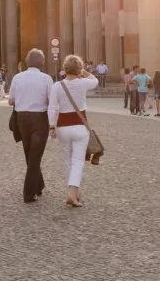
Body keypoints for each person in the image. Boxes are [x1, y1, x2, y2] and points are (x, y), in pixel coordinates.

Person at [47, 54, 99, 207]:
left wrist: (51, 126)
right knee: (78, 161)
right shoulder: (83, 83)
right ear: (79, 69)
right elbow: (95, 81)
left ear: (64, 68)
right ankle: (73, 195)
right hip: (80, 126)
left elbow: (51, 107)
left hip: (63, 127)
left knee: (68, 161)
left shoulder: (57, 86)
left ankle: (73, 194)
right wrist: (84, 72)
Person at [8, 48, 53, 203]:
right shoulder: (46, 79)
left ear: (27, 62)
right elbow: (51, 101)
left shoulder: (17, 78)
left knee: (29, 153)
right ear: (42, 62)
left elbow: (10, 101)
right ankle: (29, 193)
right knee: (35, 155)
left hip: (22, 118)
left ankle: (39, 185)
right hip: (39, 118)